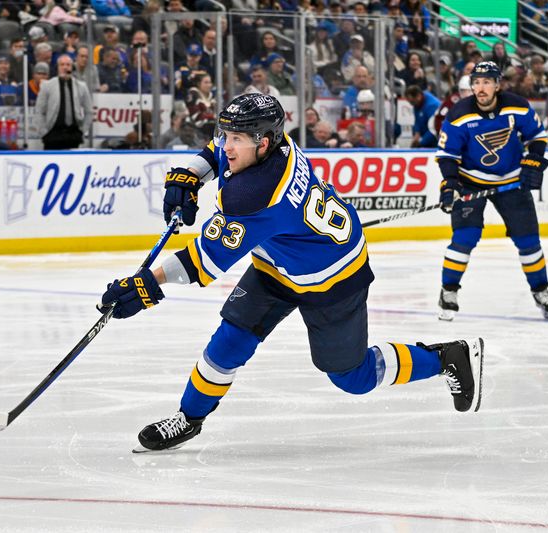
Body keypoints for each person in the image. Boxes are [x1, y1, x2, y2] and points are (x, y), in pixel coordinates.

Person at [99, 93, 485, 452]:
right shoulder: (273, 145)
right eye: (226, 134)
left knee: (353, 377)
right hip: (277, 265)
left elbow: (202, 262)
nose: (227, 145)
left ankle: (447, 357)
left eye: (237, 139)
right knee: (229, 342)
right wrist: (190, 174)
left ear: (263, 142)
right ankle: (189, 417)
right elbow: (216, 152)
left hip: (334, 276)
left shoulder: (255, 195)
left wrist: (147, 285)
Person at [434, 61, 548, 321]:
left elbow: (537, 136)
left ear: (497, 84)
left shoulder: (517, 105)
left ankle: (541, 291)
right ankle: (448, 291)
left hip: (510, 181)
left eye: (487, 82)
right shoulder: (459, 114)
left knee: (528, 240)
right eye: (477, 83)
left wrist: (534, 158)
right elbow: (447, 155)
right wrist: (450, 183)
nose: (481, 88)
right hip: (471, 181)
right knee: (464, 238)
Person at [35, 54, 92, 150]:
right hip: (53, 135)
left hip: (73, 135)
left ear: (72, 67)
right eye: (62, 65)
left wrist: (83, 131)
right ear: (57, 67)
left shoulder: (81, 86)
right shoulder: (47, 85)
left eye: (68, 65)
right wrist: (44, 133)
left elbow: (89, 111)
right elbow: (39, 111)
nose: (65, 67)